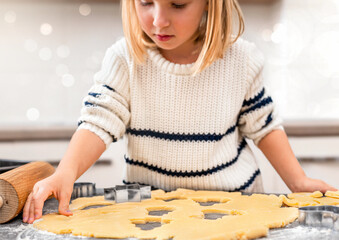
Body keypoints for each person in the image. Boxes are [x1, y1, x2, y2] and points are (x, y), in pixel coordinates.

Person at [23, 0, 336, 224]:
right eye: (146, 2)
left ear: (210, 5)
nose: (159, 20)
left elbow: (264, 126)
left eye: (178, 4)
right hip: (146, 210)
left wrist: (297, 180)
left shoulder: (240, 59)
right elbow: (99, 119)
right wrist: (65, 171)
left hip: (233, 208)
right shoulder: (125, 59)